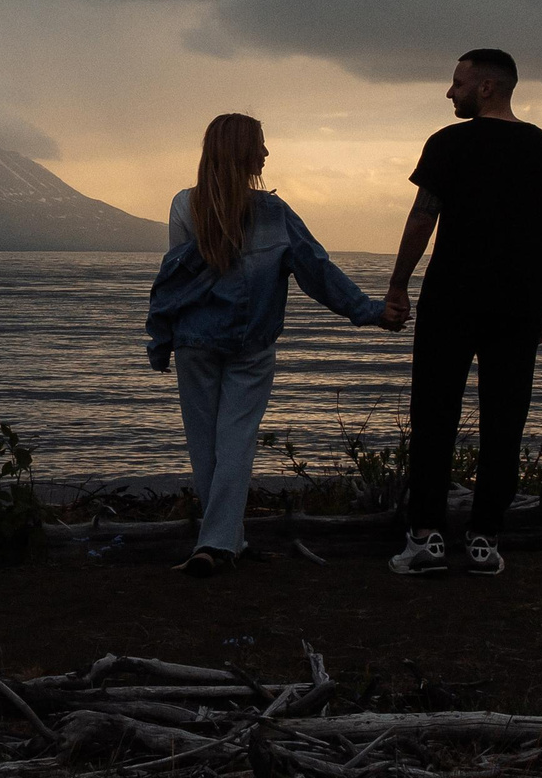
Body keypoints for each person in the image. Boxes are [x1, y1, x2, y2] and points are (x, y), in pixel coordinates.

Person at [145, 113, 393, 577]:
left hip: (194, 342)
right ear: (243, 152)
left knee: (206, 445)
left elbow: (173, 284)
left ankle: (224, 541)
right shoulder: (275, 215)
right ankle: (220, 544)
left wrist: (161, 340)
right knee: (235, 440)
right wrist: (368, 311)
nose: (266, 153)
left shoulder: (184, 206)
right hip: (250, 344)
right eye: (260, 144)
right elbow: (317, 271)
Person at [381, 49, 542, 578]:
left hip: (451, 298)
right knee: (505, 418)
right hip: (517, 303)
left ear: (486, 87)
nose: (450, 92)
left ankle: (426, 536)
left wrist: (398, 284)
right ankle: (485, 538)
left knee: (434, 415)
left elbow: (423, 218)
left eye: (458, 82)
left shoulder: (449, 144)